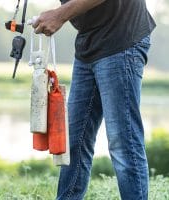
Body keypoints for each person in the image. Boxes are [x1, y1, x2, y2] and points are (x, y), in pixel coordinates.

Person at [32, 0, 156, 199]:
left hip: (121, 40)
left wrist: (59, 15)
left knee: (123, 141)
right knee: (74, 140)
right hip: (89, 45)